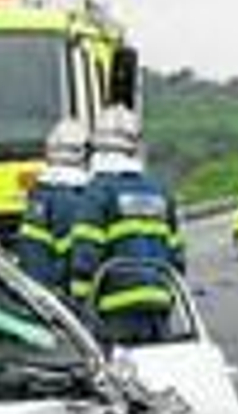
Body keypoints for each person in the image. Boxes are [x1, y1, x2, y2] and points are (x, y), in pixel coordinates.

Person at [68, 107, 185, 344]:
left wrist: (79, 306)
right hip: (158, 309)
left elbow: (85, 257)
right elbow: (177, 257)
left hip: (115, 315)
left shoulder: (97, 192)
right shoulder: (160, 191)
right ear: (134, 147)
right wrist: (167, 297)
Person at [15, 120, 91, 297]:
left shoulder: (41, 194)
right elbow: (73, 254)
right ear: (83, 153)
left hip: (35, 292)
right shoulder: (72, 197)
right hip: (57, 295)